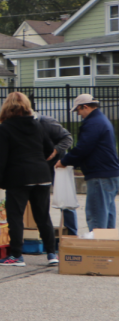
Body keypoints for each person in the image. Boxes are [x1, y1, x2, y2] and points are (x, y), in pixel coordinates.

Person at [0, 93, 57, 266]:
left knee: (15, 216)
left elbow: (0, 158)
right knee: (43, 216)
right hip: (42, 174)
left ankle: (16, 255)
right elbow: (50, 149)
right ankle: (52, 253)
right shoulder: (37, 125)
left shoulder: (5, 128)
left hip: (18, 176)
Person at [57, 94, 119, 231]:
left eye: (78, 110)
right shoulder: (102, 120)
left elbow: (83, 147)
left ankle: (96, 250)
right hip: (110, 173)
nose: (78, 114)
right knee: (107, 215)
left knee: (96, 217)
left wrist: (64, 161)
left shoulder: (93, 123)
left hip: (99, 175)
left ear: (85, 106)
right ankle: (108, 248)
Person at [37, 113, 77, 236]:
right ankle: (43, 232)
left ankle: (71, 233)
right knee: (40, 200)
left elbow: (68, 138)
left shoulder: (47, 122)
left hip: (57, 165)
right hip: (40, 165)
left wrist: (55, 151)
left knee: (64, 199)